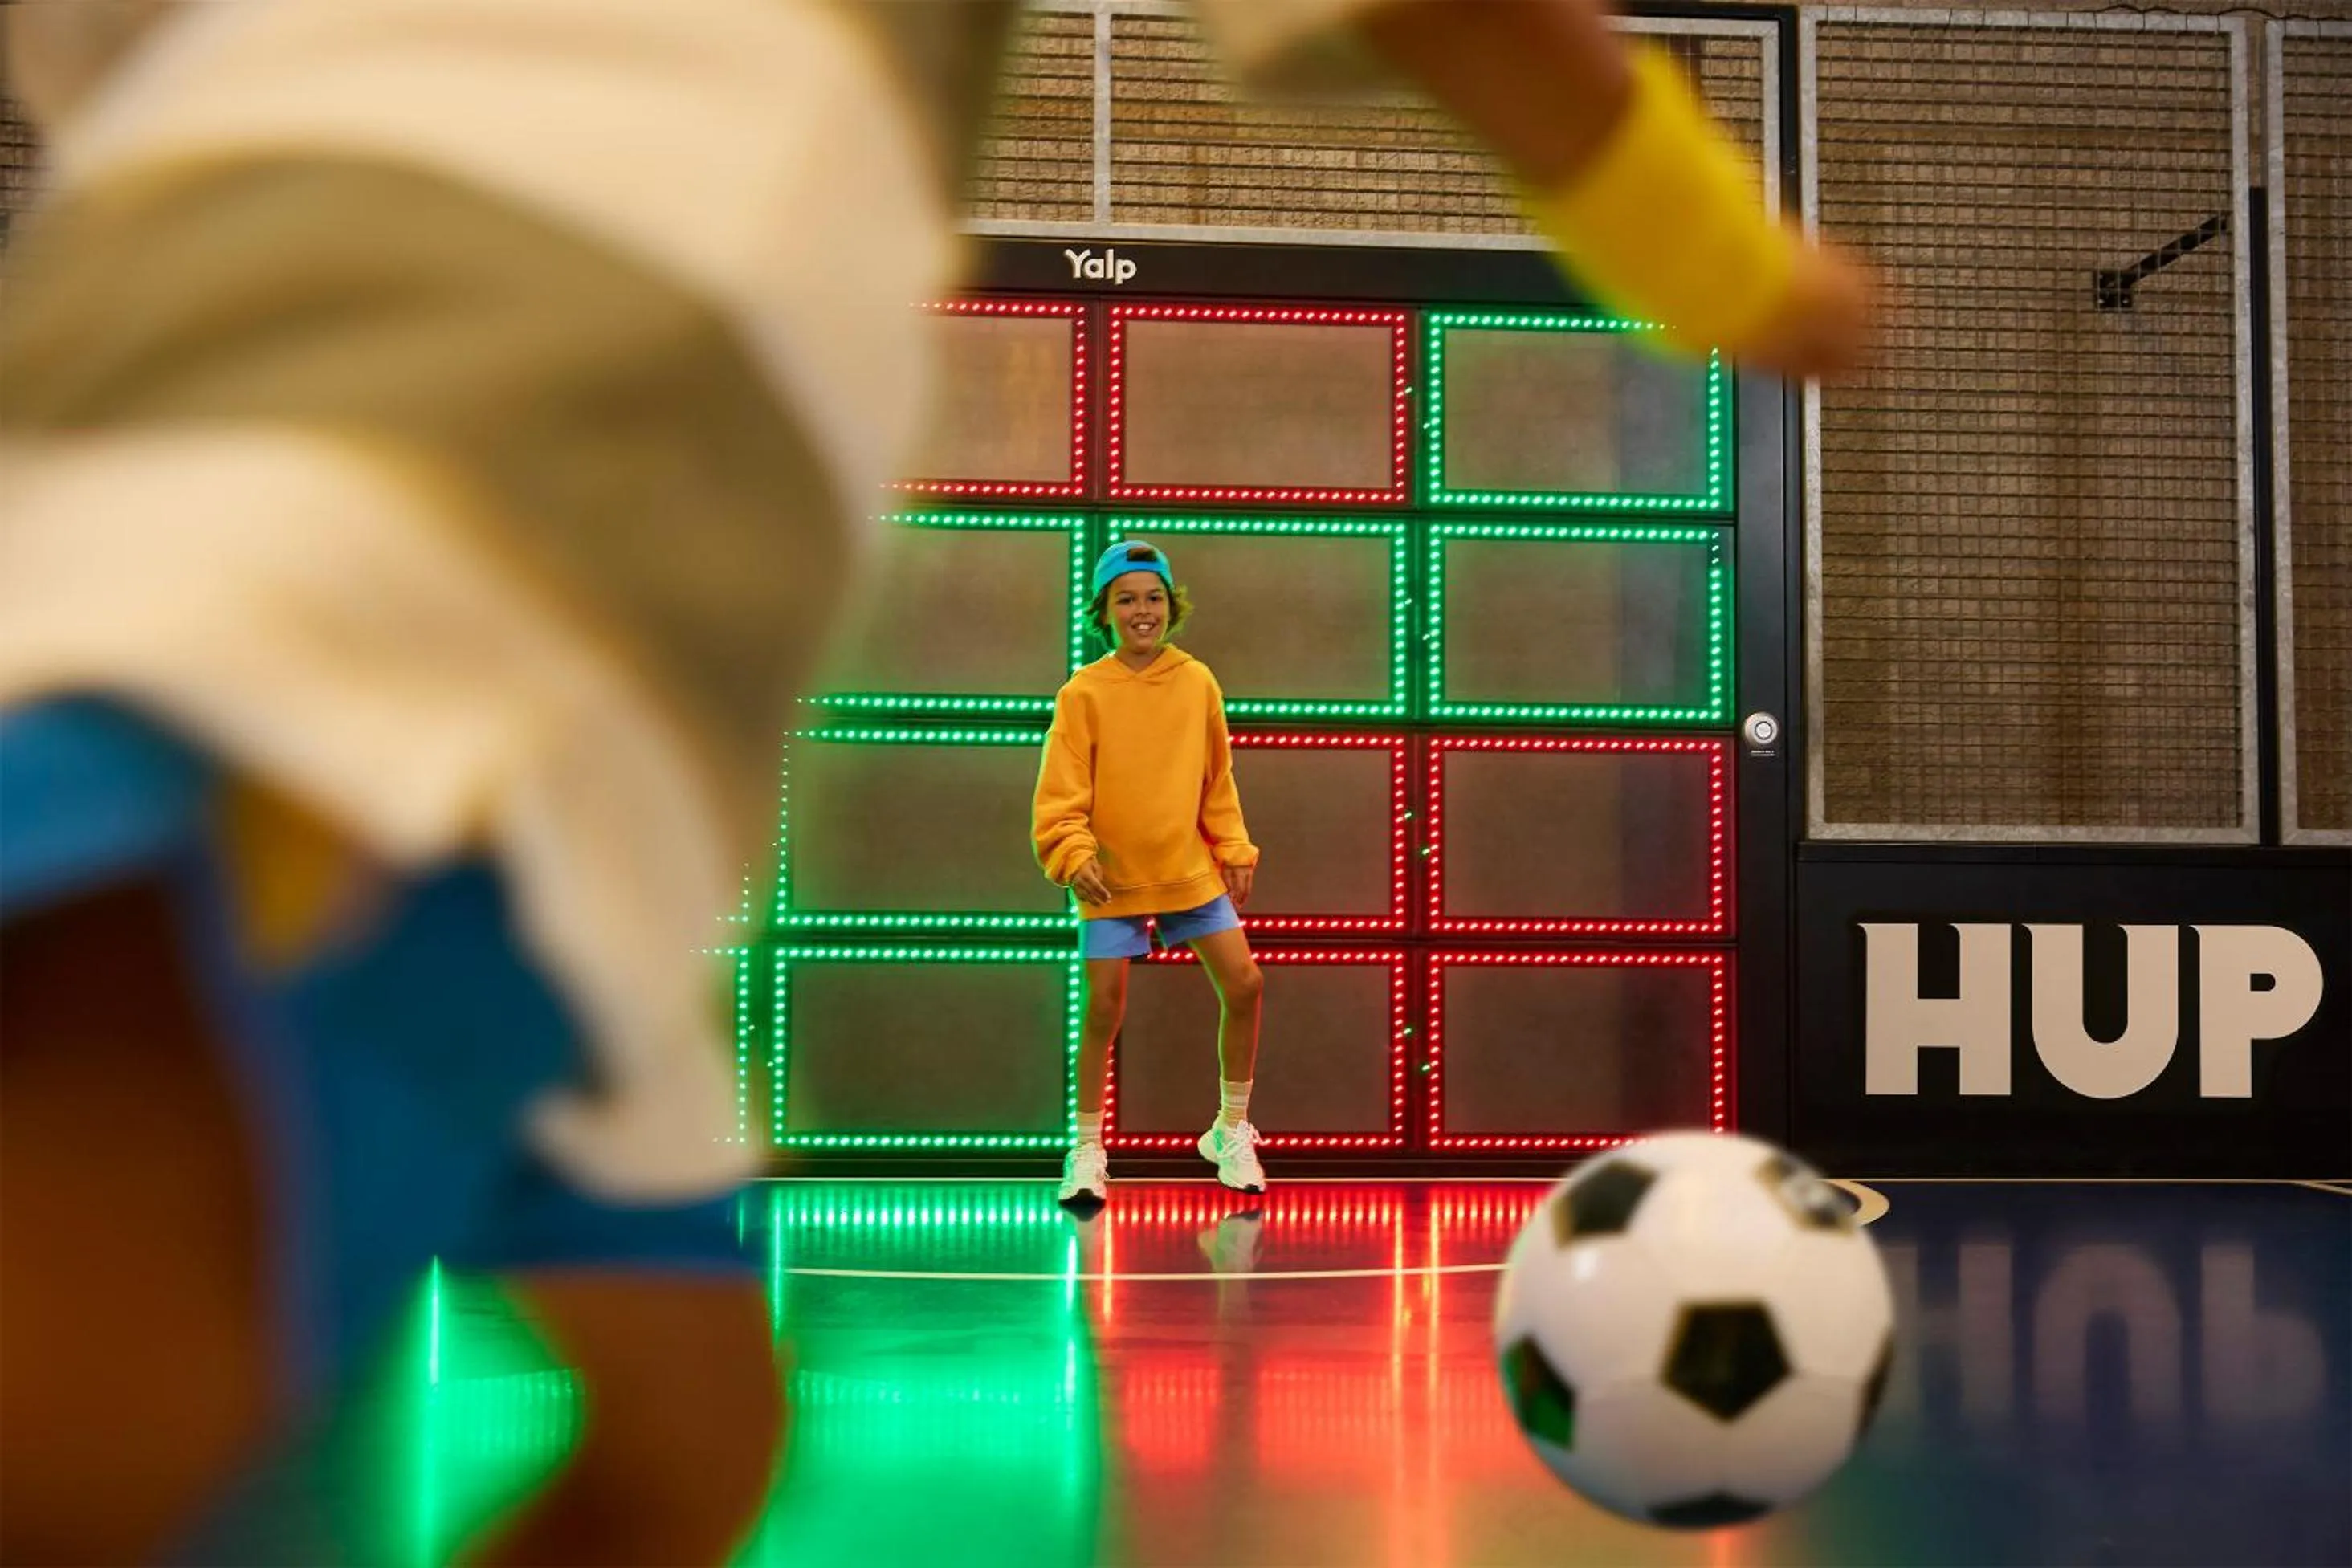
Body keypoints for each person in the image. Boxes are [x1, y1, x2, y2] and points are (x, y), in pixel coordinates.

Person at [0, 0, 1873, 1558]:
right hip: (398, 528)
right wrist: (1715, 259)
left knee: (685, 1443)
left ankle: (1200, 1126)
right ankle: (1092, 1142)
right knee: (123, 1383)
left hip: (519, 706)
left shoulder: (1191, 678)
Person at [1033, 543, 1266, 1206]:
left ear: (1172, 605)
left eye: (1154, 596)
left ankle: (1229, 1129)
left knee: (1245, 983)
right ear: (1103, 612)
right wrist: (1072, 854)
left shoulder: (1197, 682)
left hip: (1189, 871)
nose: (1143, 610)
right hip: (1112, 879)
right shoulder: (1082, 693)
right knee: (1104, 1008)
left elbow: (1217, 778)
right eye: (1127, 598)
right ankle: (1084, 1148)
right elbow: (1060, 791)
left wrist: (1234, 848)